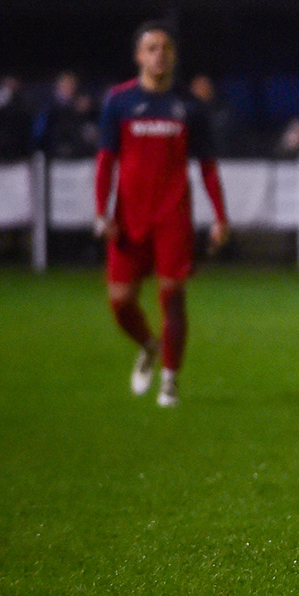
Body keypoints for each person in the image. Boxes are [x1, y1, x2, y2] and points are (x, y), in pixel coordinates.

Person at [94, 22, 230, 407]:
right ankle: (148, 345)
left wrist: (220, 216)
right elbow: (106, 161)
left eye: (166, 48)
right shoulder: (119, 102)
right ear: (138, 56)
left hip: (172, 217)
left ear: (173, 55)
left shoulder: (189, 105)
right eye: (151, 48)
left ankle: (170, 379)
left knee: (172, 297)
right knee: (120, 301)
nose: (160, 54)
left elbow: (207, 166)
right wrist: (101, 211)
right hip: (128, 217)